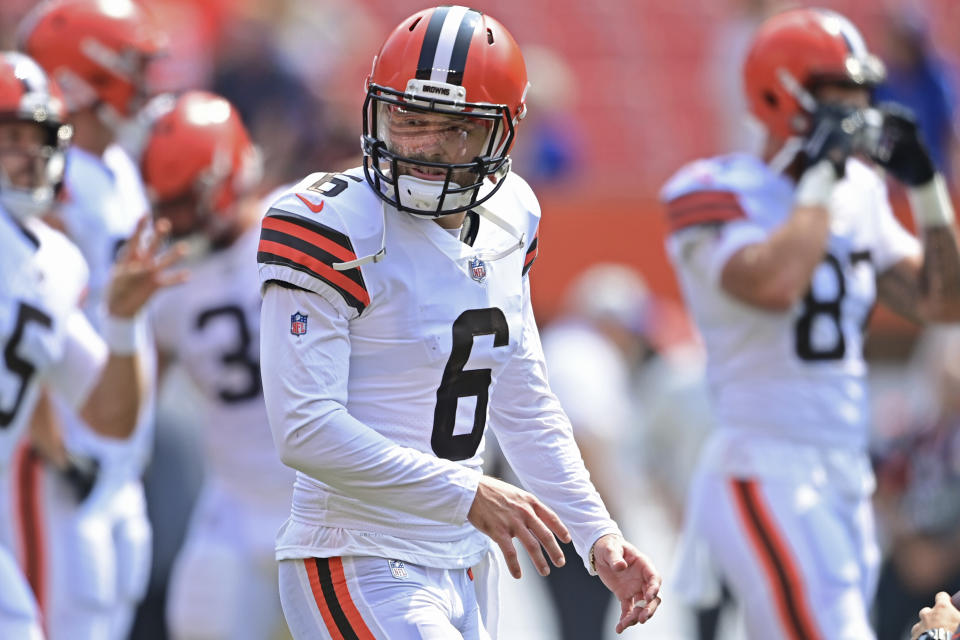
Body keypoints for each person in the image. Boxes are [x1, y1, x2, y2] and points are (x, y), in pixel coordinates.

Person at [256, 6, 661, 639]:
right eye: (408, 119)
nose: (421, 147)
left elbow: (523, 398)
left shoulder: (511, 214)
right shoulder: (328, 222)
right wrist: (467, 492)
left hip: (466, 562)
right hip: (356, 551)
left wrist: (596, 533)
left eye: (453, 129)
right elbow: (304, 430)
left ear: (502, 133)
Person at [661, 8, 960, 640]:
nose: (857, 108)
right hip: (764, 464)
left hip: (846, 471)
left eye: (862, 92)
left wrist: (929, 189)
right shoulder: (714, 188)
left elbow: (943, 303)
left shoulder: (859, 191)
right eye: (837, 92)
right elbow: (774, 283)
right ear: (780, 91)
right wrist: (822, 173)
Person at [0, 50, 181, 639]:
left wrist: (123, 322)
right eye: (9, 139)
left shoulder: (54, 265)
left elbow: (110, 416)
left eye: (37, 139)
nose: (27, 158)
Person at [139, 90, 294, 640]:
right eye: (164, 204)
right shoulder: (162, 278)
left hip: (331, 500)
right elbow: (139, 401)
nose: (173, 220)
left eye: (184, 203)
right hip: (233, 501)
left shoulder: (304, 223)